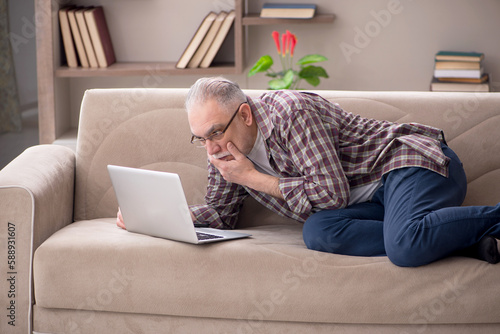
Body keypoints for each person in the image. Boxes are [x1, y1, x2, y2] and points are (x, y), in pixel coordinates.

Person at [118, 76, 500, 267]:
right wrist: (163, 216)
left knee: (402, 247)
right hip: (379, 201)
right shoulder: (219, 145)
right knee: (318, 231)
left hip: (408, 165)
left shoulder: (291, 113)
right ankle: (457, 240)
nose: (211, 148)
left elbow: (330, 194)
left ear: (246, 114)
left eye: (215, 133)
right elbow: (221, 212)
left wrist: (253, 178)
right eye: (200, 139)